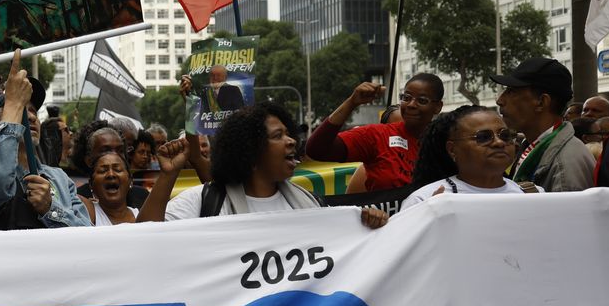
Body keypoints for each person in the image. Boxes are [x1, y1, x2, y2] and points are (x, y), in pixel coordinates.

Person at [141, 103, 388, 227]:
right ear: (250, 150)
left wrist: (367, 224)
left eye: (288, 134)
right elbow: (142, 240)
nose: (292, 141)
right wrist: (168, 176)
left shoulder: (312, 205)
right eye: (277, 136)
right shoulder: (204, 202)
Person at [0, 51, 90, 230]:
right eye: (22, 110)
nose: (31, 117)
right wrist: (13, 105)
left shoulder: (59, 178)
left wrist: (50, 209)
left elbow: (86, 234)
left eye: (34, 111)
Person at [305, 74, 444, 192]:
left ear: (437, 107)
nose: (411, 104)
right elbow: (316, 149)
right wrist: (351, 103)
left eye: (422, 100)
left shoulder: (448, 144)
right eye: (406, 97)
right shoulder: (377, 136)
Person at [493, 57, 596, 192]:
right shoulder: (534, 146)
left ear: (541, 102)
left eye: (512, 91)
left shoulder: (565, 164)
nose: (499, 100)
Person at [400, 105, 532, 210]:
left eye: (505, 135)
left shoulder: (532, 195)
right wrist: (427, 218)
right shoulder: (423, 201)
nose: (499, 142)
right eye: (483, 137)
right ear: (452, 150)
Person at [84, 150, 139, 226]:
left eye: (117, 170)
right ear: (91, 184)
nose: (111, 174)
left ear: (130, 181)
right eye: (102, 171)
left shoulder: (142, 216)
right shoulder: (86, 212)